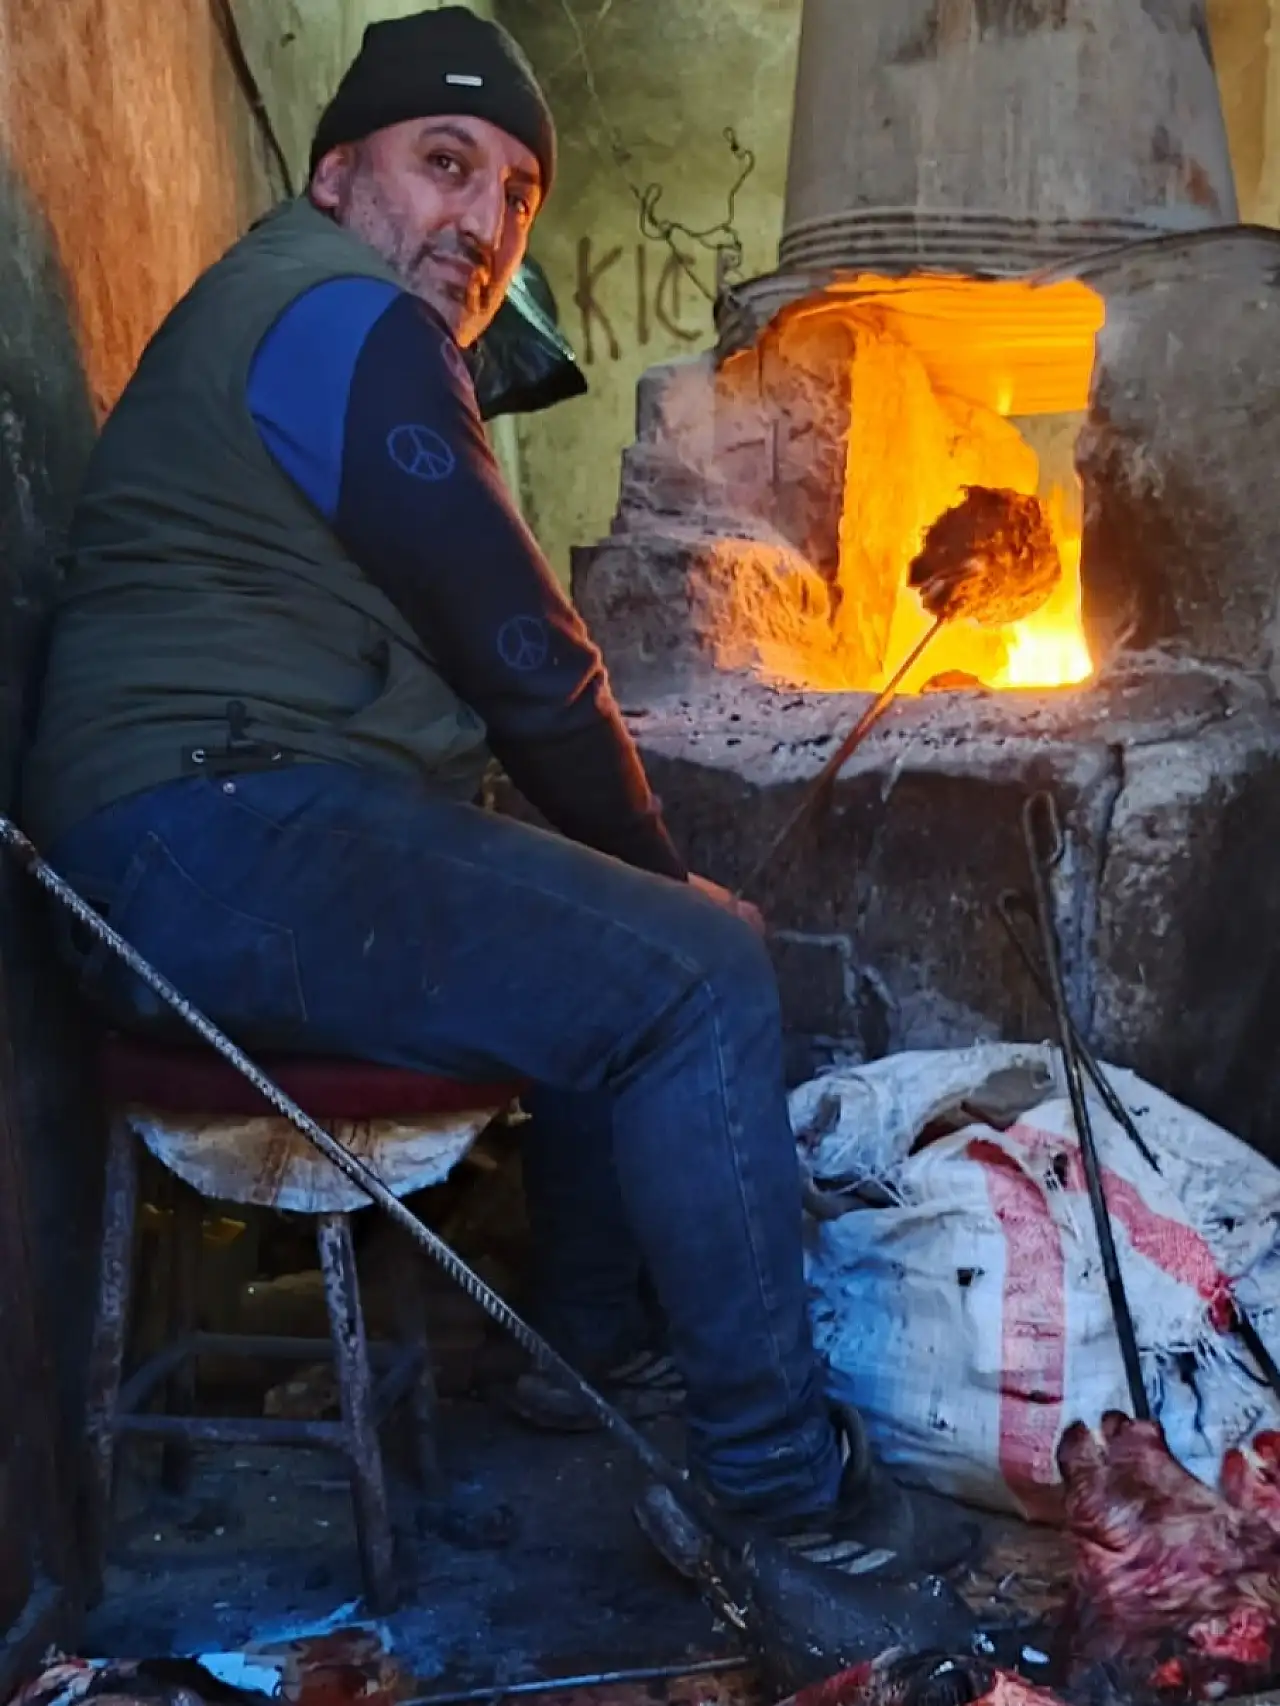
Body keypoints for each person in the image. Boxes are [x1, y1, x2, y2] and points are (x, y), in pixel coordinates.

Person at [22, 8, 960, 1587]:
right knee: (693, 971)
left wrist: (630, 892)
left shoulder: (300, 313)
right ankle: (786, 1501)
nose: (482, 223)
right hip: (205, 839)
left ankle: (584, 1351)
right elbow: (530, 653)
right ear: (337, 175)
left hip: (192, 842)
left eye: (515, 196)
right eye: (443, 165)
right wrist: (677, 891)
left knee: (602, 952)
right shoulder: (343, 324)